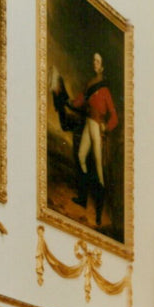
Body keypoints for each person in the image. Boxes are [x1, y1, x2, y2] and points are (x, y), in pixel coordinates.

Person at [53, 52, 118, 226]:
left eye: (98, 61)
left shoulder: (105, 90)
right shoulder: (90, 85)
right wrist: (67, 101)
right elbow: (78, 101)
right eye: (94, 60)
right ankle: (83, 197)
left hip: (97, 126)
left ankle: (98, 212)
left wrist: (106, 126)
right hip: (88, 123)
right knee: (81, 156)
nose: (94, 63)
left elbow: (114, 117)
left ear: (102, 66)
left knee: (98, 168)